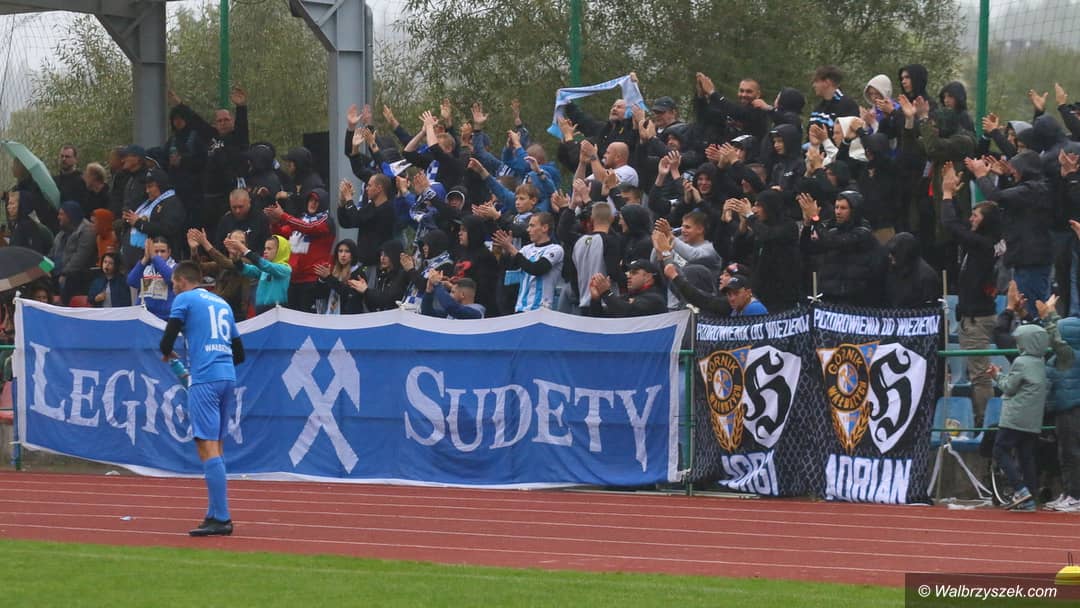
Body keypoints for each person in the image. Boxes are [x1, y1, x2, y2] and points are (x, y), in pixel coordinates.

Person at [158, 261, 245, 536]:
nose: (173, 289)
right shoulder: (222, 303)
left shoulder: (185, 299)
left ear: (182, 281)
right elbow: (239, 353)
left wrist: (171, 354)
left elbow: (166, 342)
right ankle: (214, 512)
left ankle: (222, 518)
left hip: (206, 379)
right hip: (227, 376)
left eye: (173, 283)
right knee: (216, 446)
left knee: (206, 446)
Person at [990, 321, 1051, 512]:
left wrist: (997, 375)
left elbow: (1009, 387)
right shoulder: (1041, 361)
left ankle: (1020, 489)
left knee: (1000, 450)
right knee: (1026, 457)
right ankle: (1030, 496)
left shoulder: (1021, 362)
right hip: (1032, 420)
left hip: (1015, 416)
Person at [492, 212, 563, 312]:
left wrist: (511, 248)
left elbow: (536, 269)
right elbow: (510, 267)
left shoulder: (555, 249)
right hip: (520, 307)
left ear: (545, 228)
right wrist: (506, 251)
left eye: (532, 226)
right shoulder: (526, 249)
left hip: (541, 309)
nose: (528, 230)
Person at [1046, 316, 1080, 512]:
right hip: (1065, 408)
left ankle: (1075, 495)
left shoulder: (1069, 355)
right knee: (1065, 453)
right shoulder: (1066, 355)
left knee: (1070, 454)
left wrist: (1048, 319)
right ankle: (1069, 492)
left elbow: (1057, 339)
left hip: (1070, 409)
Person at [226, 235, 292, 315]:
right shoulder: (264, 270)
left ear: (280, 251)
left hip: (277, 312)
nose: (265, 251)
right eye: (265, 248)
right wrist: (235, 258)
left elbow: (266, 265)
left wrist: (244, 249)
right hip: (261, 311)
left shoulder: (285, 269)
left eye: (269, 249)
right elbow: (246, 270)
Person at [50, 201, 97, 305]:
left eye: (61, 214)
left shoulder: (86, 230)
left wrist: (64, 273)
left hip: (77, 277)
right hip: (56, 274)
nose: (58, 217)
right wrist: (42, 270)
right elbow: (51, 255)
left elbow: (79, 258)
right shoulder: (61, 233)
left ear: (70, 215)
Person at [587, 260, 666, 317]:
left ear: (648, 277)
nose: (628, 276)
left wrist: (606, 293)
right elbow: (601, 317)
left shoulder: (656, 299)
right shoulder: (626, 297)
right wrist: (596, 300)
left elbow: (626, 312)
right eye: (628, 272)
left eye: (634, 273)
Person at [127, 236, 176, 320]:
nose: (159, 254)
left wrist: (154, 257)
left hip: (164, 318)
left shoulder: (175, 267)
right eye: (156, 251)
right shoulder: (145, 267)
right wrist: (145, 258)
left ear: (169, 252)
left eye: (162, 251)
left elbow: (170, 278)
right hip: (144, 316)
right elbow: (131, 281)